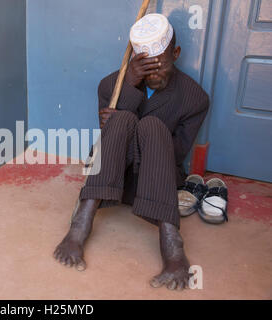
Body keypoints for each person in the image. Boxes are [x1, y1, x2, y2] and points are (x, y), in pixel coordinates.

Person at [53, 14, 210, 291]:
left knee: (151, 125)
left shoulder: (194, 98)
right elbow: (109, 145)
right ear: (134, 61)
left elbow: (174, 155)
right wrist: (128, 86)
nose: (153, 76)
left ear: (176, 54)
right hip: (112, 181)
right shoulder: (110, 86)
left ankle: (172, 245)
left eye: (160, 66)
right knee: (122, 120)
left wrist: (144, 130)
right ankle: (80, 224)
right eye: (145, 68)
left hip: (153, 184)